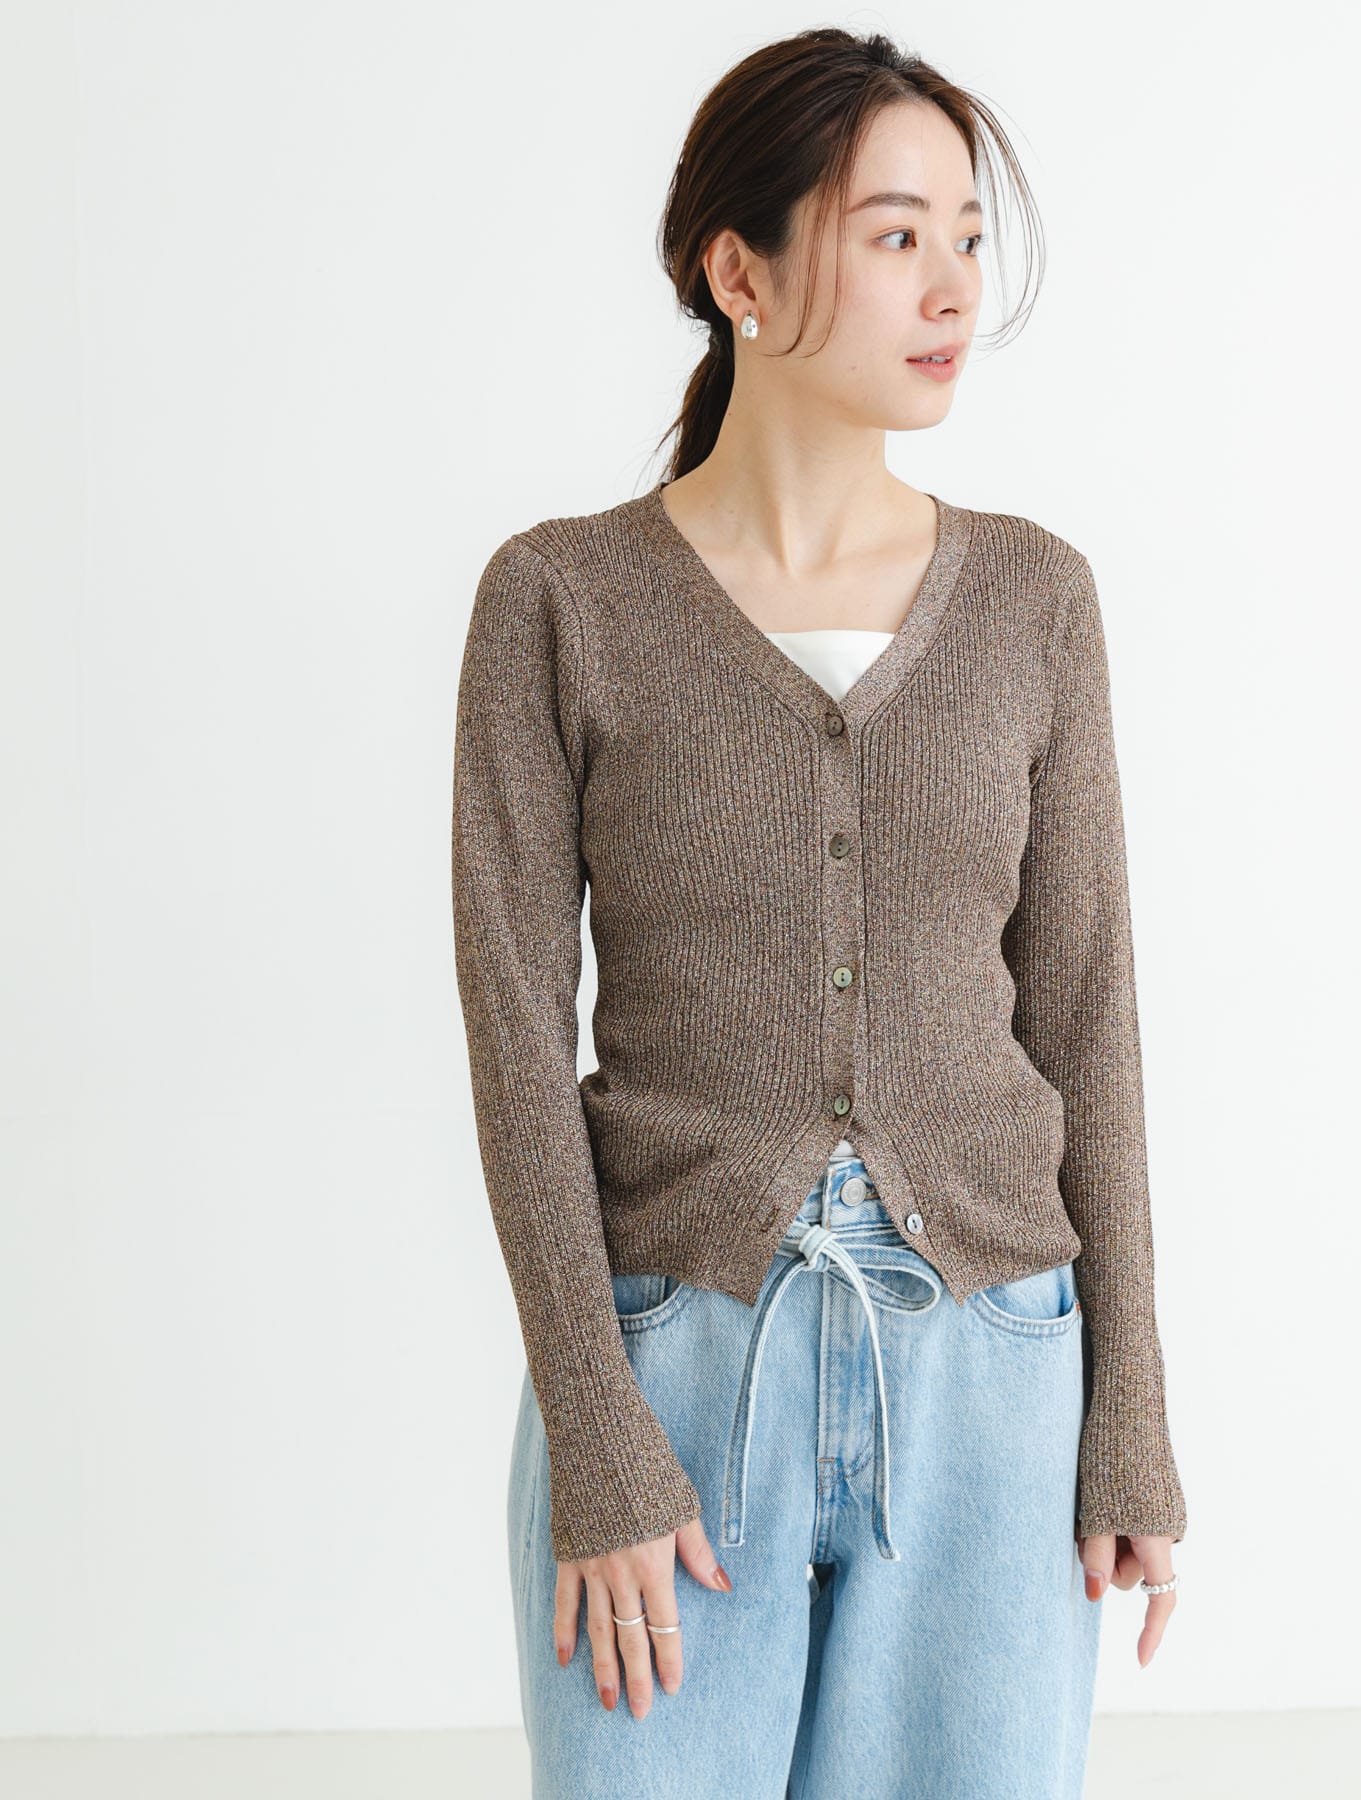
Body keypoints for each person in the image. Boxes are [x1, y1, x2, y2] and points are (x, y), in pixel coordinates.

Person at [451, 26, 1186, 1799]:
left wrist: (1132, 1418)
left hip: (994, 1373)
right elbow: (514, 1036)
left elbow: (1087, 1012)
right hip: (674, 1371)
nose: (953, 288)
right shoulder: (562, 600)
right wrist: (597, 1439)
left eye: (967, 237)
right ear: (741, 274)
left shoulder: (1034, 599)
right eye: (894, 235)